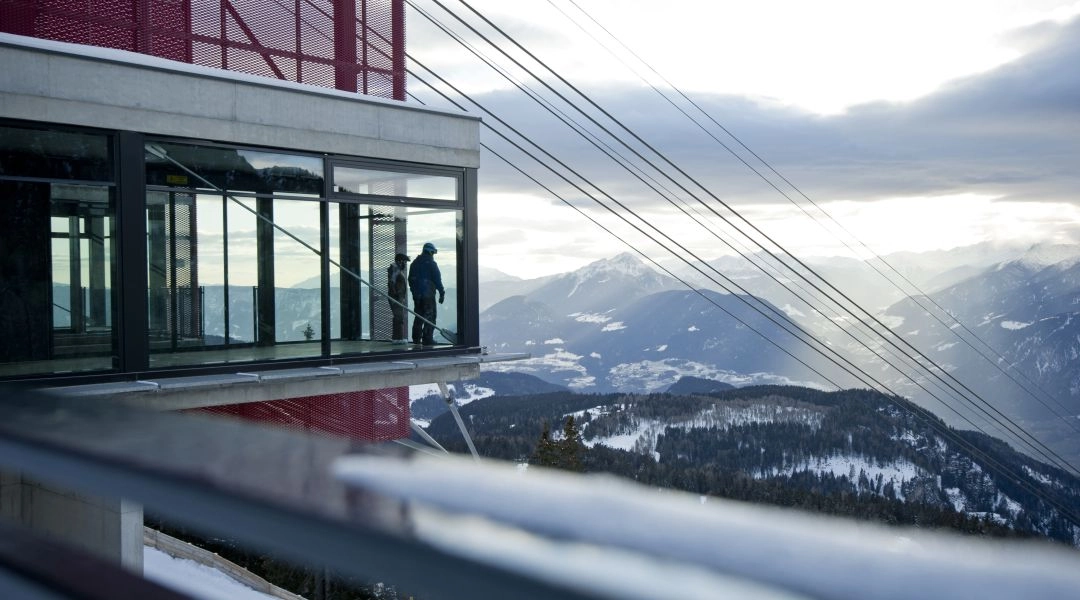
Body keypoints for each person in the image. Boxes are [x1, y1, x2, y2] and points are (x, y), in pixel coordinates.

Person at [408, 242, 445, 346]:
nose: (433, 255)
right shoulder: (431, 264)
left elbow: (410, 280)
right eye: (433, 252)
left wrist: (414, 292)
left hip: (417, 296)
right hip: (428, 295)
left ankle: (416, 339)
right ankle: (427, 339)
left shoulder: (414, 264)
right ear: (430, 251)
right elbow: (437, 280)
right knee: (430, 317)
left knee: (418, 316)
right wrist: (442, 293)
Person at [386, 253, 410, 342]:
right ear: (400, 261)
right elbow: (393, 285)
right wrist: (398, 298)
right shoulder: (396, 270)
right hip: (396, 298)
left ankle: (397, 338)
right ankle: (398, 339)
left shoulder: (395, 270)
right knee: (399, 317)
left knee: (397, 317)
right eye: (404, 262)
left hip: (396, 298)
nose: (405, 264)